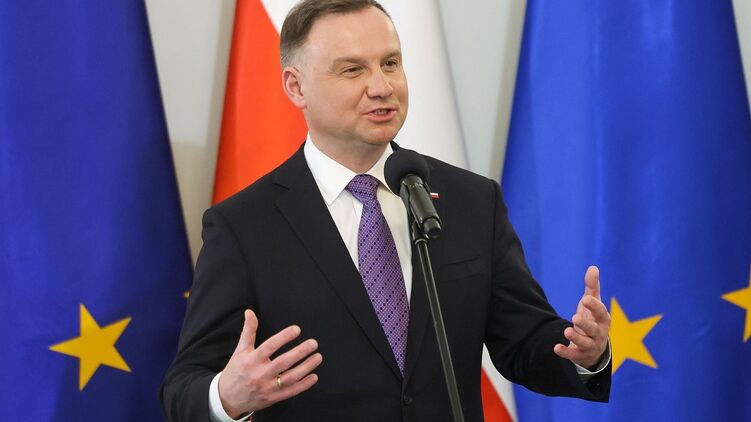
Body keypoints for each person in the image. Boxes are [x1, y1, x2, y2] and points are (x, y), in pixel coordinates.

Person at [160, 1, 612, 421]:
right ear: (296, 86)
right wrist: (227, 397)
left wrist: (583, 354)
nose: (382, 86)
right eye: (352, 69)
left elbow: (523, 341)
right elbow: (183, 386)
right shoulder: (244, 226)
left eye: (391, 63)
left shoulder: (471, 200)